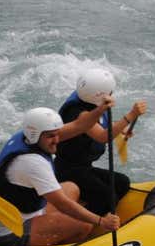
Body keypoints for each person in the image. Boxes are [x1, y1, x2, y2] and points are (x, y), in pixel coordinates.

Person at [0, 107, 123, 246]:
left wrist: (101, 108)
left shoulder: (27, 137)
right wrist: (101, 221)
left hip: (23, 213)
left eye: (57, 134)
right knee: (84, 225)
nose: (57, 140)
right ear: (35, 135)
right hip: (10, 230)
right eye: (51, 136)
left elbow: (79, 125)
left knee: (71, 188)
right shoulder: (32, 162)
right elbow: (63, 204)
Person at [54, 68, 147, 216]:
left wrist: (120, 128)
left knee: (122, 183)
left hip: (83, 167)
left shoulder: (87, 99)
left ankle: (88, 206)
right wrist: (131, 115)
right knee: (108, 197)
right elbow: (102, 136)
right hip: (68, 171)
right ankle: (85, 222)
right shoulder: (79, 113)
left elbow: (100, 126)